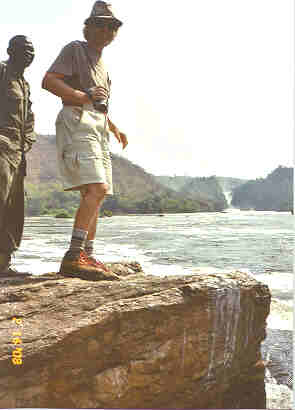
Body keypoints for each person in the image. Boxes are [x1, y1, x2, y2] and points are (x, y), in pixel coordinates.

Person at [42, 1, 128, 280]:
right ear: (87, 28)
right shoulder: (75, 49)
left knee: (96, 195)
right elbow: (49, 80)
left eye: (112, 26)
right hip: (78, 120)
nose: (107, 30)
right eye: (100, 24)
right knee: (97, 188)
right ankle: (73, 256)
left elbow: (100, 104)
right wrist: (82, 96)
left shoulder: (103, 65)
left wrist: (114, 128)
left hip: (97, 125)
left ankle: (86, 254)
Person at [0, 35, 35, 275]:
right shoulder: (2, 72)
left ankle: (4, 262)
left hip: (18, 152)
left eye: (32, 51)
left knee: (14, 207)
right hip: (1, 147)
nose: (30, 54)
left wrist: (26, 143)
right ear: (10, 50)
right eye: (24, 49)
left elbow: (29, 117)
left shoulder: (24, 83)